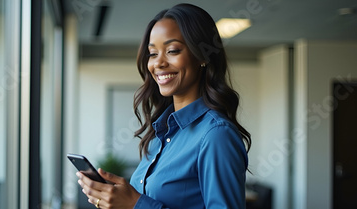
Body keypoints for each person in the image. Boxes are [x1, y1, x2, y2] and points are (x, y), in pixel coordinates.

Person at [76, 3, 251, 209]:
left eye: (172, 50)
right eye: (152, 53)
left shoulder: (215, 135)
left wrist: (135, 204)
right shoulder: (161, 134)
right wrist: (116, 200)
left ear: (202, 56)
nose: (158, 63)